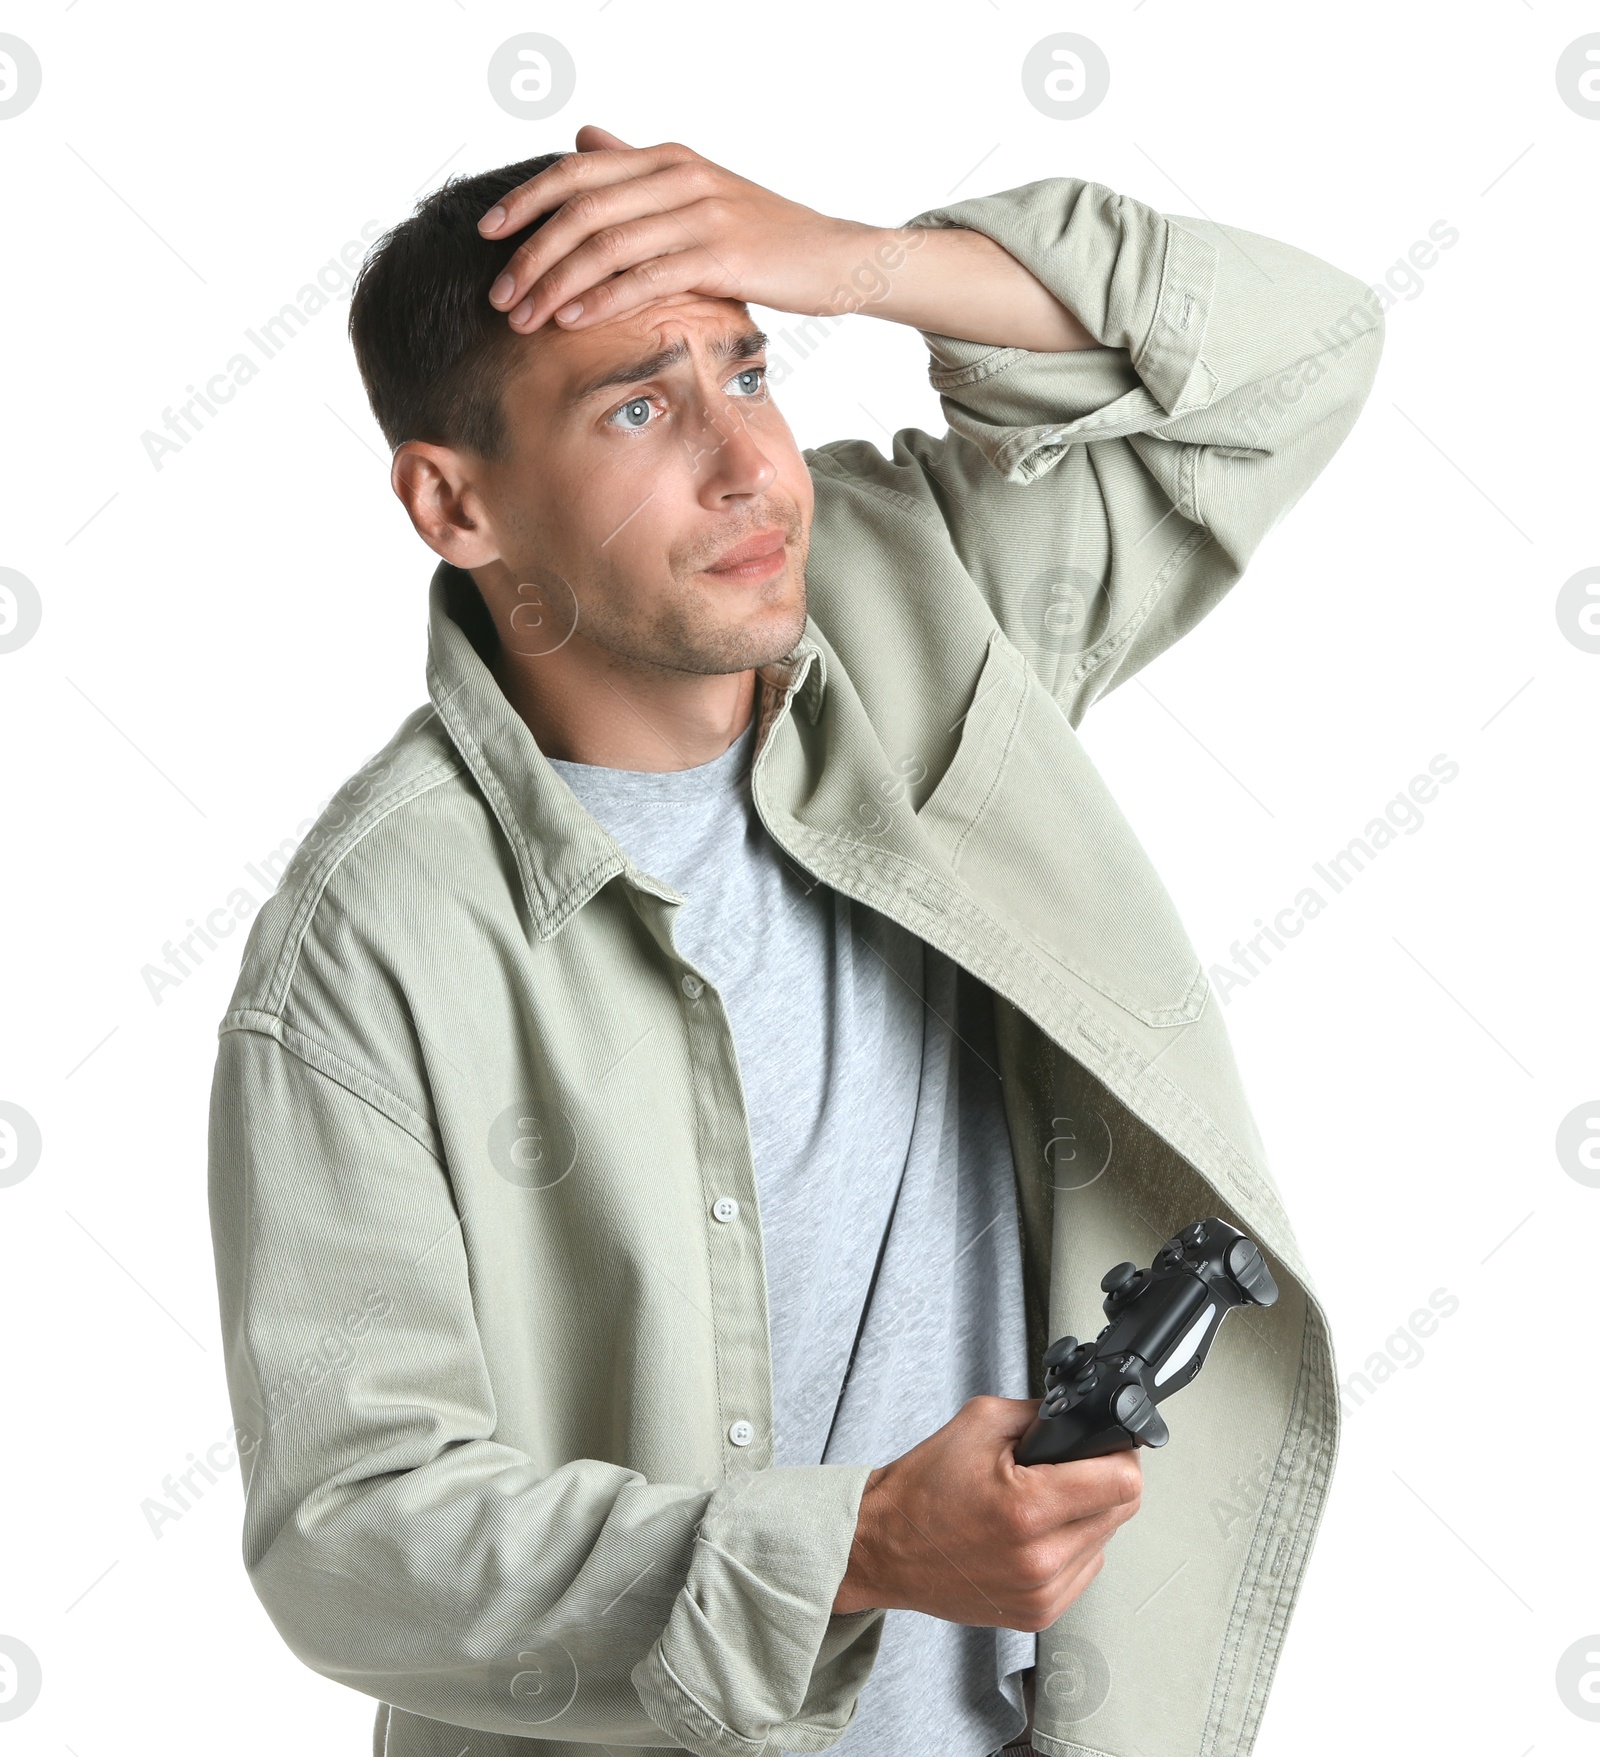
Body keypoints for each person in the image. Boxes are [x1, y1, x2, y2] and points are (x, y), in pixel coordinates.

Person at [206, 126, 1382, 1757]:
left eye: (749, 367)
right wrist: (852, 1552)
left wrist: (842, 259)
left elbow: (1295, 350)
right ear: (453, 500)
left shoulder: (922, 602)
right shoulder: (368, 945)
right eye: (638, 405)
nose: (752, 462)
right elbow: (351, 1539)